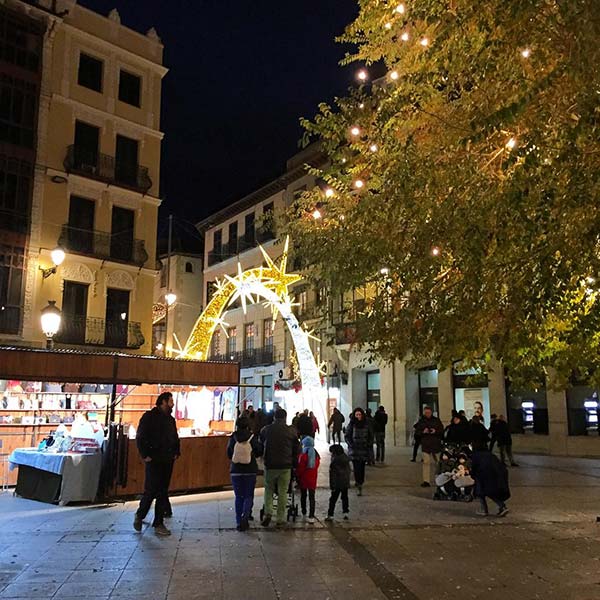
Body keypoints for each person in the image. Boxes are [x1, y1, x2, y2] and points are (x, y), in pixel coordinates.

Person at [134, 392, 180, 536]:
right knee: (151, 490)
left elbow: (175, 437)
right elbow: (140, 436)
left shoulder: (170, 420)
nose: (173, 404)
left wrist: (176, 451)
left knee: (162, 492)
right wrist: (145, 455)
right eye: (171, 401)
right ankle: (140, 515)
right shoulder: (149, 417)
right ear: (163, 402)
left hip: (167, 460)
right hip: (154, 459)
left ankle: (158, 523)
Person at [259, 408, 300, 527]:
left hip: (270, 465)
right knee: (283, 491)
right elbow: (297, 448)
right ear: (285, 417)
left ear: (274, 417)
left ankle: (268, 512)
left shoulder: (266, 430)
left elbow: (261, 442)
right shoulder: (291, 431)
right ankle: (280, 518)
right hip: (285, 465)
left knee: (269, 489)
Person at [227, 416, 263, 531]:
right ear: (248, 425)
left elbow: (228, 453)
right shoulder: (252, 437)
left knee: (238, 496)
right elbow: (258, 451)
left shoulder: (233, 437)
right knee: (248, 495)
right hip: (250, 470)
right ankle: (245, 516)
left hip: (236, 471)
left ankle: (238, 521)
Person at [471, 441, 510, 517]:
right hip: (494, 476)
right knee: (491, 493)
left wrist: (472, 475)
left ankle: (484, 509)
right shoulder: (491, 455)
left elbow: (474, 468)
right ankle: (502, 506)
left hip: (483, 477)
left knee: (480, 493)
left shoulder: (476, 455)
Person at [345, 407, 373, 495]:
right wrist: (351, 444)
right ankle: (358, 483)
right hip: (355, 450)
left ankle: (361, 481)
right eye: (356, 415)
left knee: (362, 467)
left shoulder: (366, 424)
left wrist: (368, 444)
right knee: (356, 467)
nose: (358, 416)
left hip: (363, 449)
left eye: (359, 414)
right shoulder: (352, 424)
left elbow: (371, 435)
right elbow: (347, 436)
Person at [414, 406, 443, 487]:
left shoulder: (436, 420)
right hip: (426, 444)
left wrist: (435, 431)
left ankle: (440, 479)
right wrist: (423, 431)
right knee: (426, 463)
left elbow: (441, 430)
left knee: (438, 463)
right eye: (426, 413)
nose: (427, 414)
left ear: (431, 412)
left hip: (435, 444)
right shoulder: (421, 421)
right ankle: (426, 481)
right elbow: (417, 433)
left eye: (429, 412)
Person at [296, 435, 320, 523]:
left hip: (304, 479)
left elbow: (300, 468)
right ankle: (311, 515)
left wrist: (297, 476)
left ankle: (304, 511)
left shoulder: (303, 455)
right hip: (313, 479)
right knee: (312, 497)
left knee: (303, 496)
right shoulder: (316, 455)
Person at [325, 444, 351, 521]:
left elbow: (333, 475)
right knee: (345, 497)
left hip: (337, 484)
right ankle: (345, 512)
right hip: (345, 483)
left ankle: (330, 514)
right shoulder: (346, 459)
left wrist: (332, 486)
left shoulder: (335, 462)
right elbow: (348, 471)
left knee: (333, 499)